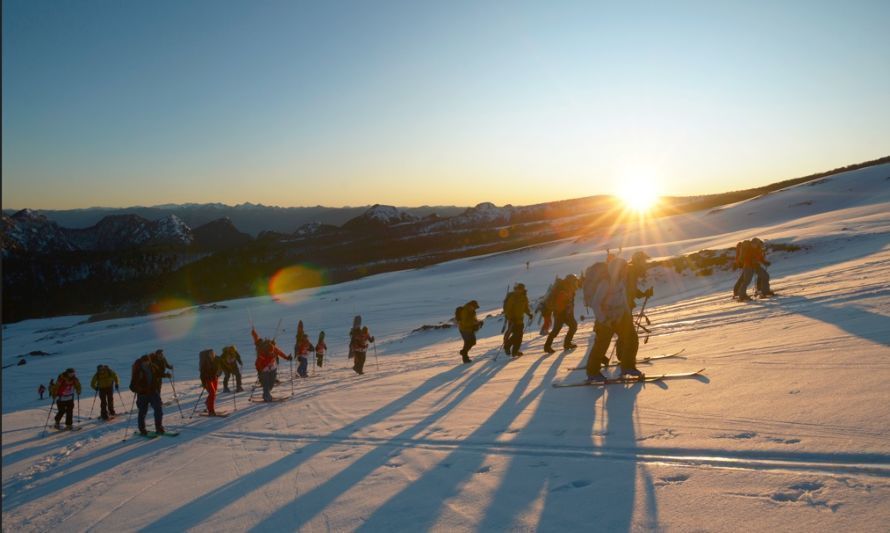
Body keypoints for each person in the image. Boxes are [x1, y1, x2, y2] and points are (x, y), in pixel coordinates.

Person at [585, 258, 642, 382]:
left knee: (631, 339)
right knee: (601, 346)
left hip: (620, 315)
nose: (626, 271)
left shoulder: (621, 280)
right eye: (624, 268)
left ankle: (627, 366)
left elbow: (622, 299)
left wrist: (627, 314)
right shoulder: (605, 283)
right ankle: (592, 372)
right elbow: (596, 303)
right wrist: (604, 320)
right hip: (606, 318)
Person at [130, 352, 170, 435]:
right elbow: (132, 386)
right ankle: (142, 429)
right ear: (142, 362)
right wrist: (138, 390)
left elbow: (158, 374)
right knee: (142, 412)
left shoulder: (153, 367)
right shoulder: (138, 370)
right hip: (143, 394)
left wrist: (166, 375)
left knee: (158, 409)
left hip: (153, 392)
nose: (147, 363)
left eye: (148, 361)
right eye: (145, 362)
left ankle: (159, 427)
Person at [252, 328, 292, 402]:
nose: (271, 353)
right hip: (264, 369)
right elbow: (257, 363)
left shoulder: (274, 349)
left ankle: (267, 393)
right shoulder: (262, 353)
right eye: (270, 353)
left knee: (271, 383)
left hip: (272, 367)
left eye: (272, 352)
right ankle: (266, 396)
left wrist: (287, 357)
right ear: (267, 351)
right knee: (266, 383)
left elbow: (280, 353)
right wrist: (260, 370)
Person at [544, 274, 579, 354]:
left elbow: (569, 301)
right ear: (570, 281)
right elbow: (561, 300)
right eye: (574, 281)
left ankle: (567, 343)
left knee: (573, 326)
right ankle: (547, 346)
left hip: (566, 312)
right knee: (556, 330)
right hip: (560, 313)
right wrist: (566, 306)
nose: (575, 283)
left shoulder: (570, 288)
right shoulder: (564, 288)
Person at [503, 283, 532, 357]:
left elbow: (526, 307)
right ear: (515, 289)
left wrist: (529, 314)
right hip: (512, 320)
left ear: (522, 289)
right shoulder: (512, 297)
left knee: (519, 337)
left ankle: (515, 351)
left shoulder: (524, 297)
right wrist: (511, 318)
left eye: (520, 289)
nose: (519, 290)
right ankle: (507, 346)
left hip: (520, 320)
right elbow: (507, 309)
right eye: (517, 289)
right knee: (516, 335)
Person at [199, 349, 222, 415]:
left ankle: (207, 402)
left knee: (213, 393)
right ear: (208, 355)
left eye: (213, 353)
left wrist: (218, 374)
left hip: (215, 378)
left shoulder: (217, 359)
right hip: (207, 379)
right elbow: (202, 374)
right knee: (212, 393)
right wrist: (204, 383)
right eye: (210, 354)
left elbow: (220, 368)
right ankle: (211, 410)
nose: (212, 355)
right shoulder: (205, 362)